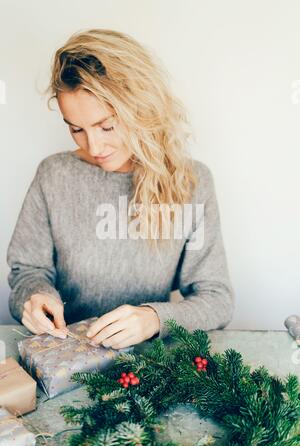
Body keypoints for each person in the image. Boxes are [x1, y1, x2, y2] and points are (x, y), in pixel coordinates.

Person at [7, 28, 234, 349]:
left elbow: (217, 298)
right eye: (76, 129)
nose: (94, 145)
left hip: (151, 370)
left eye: (107, 126)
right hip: (63, 361)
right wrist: (34, 297)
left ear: (142, 109)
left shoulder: (192, 182)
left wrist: (154, 319)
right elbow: (27, 271)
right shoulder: (54, 175)